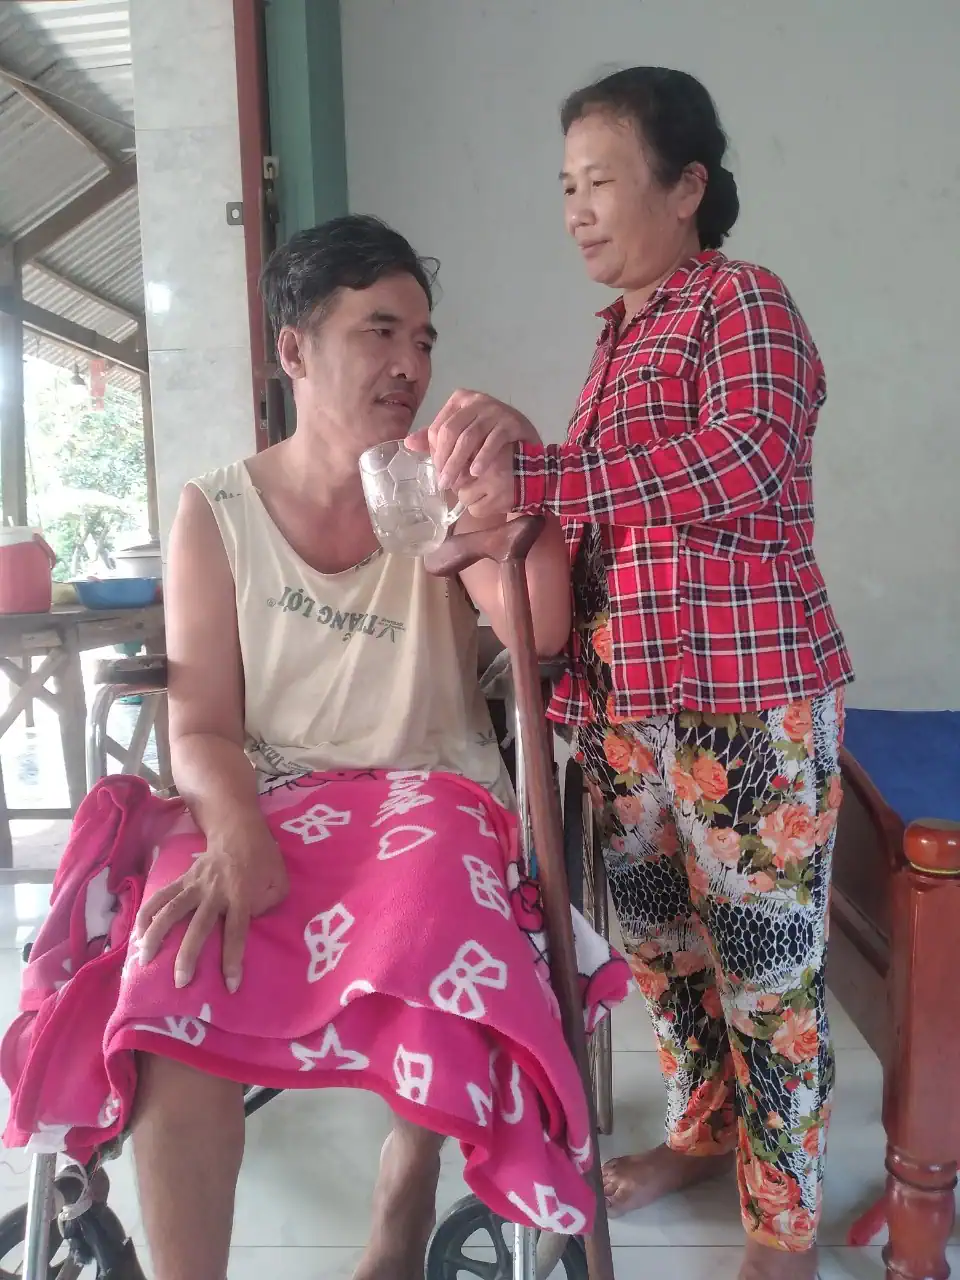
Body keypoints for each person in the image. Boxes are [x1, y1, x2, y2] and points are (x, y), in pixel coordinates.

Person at [1, 215, 632, 1280]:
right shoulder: (217, 512)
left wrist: (512, 490)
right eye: (379, 331)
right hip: (268, 790)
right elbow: (202, 725)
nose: (410, 364)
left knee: (437, 901)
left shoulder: (438, 487)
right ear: (294, 347)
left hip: (433, 790)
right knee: (173, 962)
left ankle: (405, 1188)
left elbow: (542, 630)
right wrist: (235, 830)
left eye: (423, 340)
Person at [418, 67, 853, 1280]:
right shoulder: (619, 337)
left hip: (748, 705)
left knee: (767, 969)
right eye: (566, 185)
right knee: (666, 950)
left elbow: (741, 459)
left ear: (686, 185)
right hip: (625, 708)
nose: (576, 209)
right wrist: (500, 514)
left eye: (600, 180)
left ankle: (784, 1224)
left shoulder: (742, 301)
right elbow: (606, 525)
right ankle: (704, 1135)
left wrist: (544, 471)